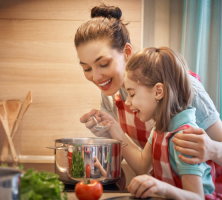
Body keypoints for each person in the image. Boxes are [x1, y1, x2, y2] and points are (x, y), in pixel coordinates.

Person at [75, 4, 222, 180]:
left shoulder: (185, 87)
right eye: (87, 68)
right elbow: (143, 164)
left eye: (104, 64)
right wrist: (109, 130)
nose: (96, 77)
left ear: (127, 52)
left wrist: (213, 149)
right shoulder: (111, 93)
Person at [110, 47, 221, 198]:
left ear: (158, 92)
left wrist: (161, 188)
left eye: (132, 94)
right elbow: (143, 166)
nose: (127, 102)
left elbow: (197, 197)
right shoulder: (161, 128)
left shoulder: (184, 137)